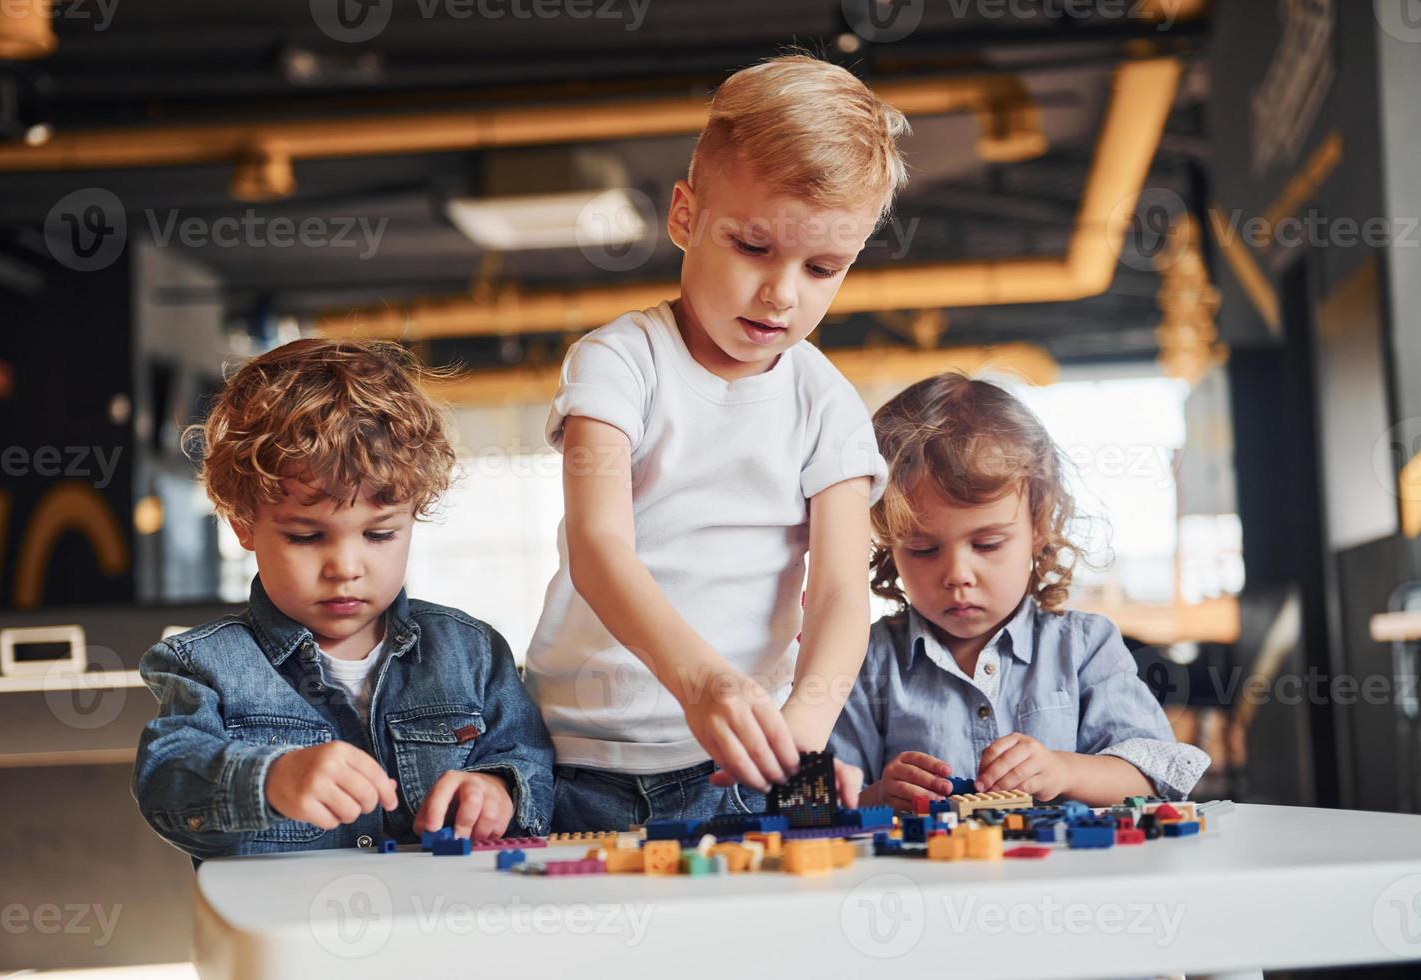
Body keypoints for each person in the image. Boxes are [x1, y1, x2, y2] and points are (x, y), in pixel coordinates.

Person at [526, 53, 909, 830]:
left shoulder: (826, 402)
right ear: (684, 216)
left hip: (736, 765)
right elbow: (600, 547)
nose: (782, 292)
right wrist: (702, 684)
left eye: (823, 266)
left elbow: (839, 594)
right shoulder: (617, 364)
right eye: (753, 247)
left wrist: (796, 737)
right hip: (580, 757)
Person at [132, 339, 554, 861]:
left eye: (379, 535)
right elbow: (167, 784)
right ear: (244, 525)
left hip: (444, 926)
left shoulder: (470, 651)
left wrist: (499, 790)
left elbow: (528, 757)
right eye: (307, 537)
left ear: (413, 517)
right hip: (288, 936)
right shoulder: (204, 664)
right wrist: (271, 781)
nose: (346, 568)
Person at [830, 374, 1210, 809]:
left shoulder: (1084, 647)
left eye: (988, 544)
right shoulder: (865, 659)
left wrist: (1065, 770)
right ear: (888, 546)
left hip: (1064, 875)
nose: (957, 574)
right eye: (922, 549)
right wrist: (878, 796)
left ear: (1038, 526)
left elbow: (1154, 778)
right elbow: (825, 801)